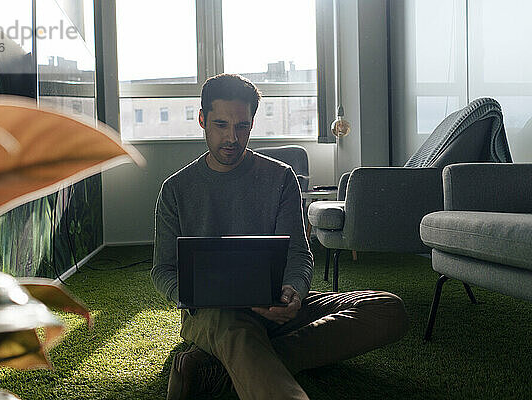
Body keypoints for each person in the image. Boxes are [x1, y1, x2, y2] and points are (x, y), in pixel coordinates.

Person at [152, 73, 409, 400]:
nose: (232, 137)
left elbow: (299, 254)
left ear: (252, 123)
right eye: (221, 125)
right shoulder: (175, 189)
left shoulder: (280, 177)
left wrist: (294, 292)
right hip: (213, 313)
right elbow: (161, 269)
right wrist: (192, 296)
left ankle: (220, 370)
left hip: (275, 306)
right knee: (233, 327)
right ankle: (248, 364)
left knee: (387, 309)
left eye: (242, 126)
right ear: (202, 120)